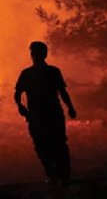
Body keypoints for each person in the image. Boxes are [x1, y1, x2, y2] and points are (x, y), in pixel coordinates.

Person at [15, 41, 77, 187]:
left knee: (47, 145)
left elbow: (62, 92)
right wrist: (20, 106)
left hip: (44, 115)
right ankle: (58, 176)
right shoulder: (50, 72)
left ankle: (59, 176)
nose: (34, 55)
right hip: (45, 115)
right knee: (51, 145)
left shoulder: (34, 73)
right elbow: (17, 94)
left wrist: (20, 106)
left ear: (32, 55)